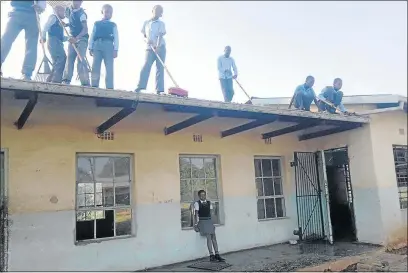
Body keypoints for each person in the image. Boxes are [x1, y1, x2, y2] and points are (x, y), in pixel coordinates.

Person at [0, 0, 46, 80]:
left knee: (31, 45)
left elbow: (42, 4)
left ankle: (27, 74)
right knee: (6, 40)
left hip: (32, 15)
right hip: (16, 12)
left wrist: (40, 7)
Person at [134, 5, 166, 94]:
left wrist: (158, 47)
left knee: (160, 67)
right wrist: (147, 40)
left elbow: (160, 36)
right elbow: (144, 35)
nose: (157, 12)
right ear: (152, 11)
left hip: (160, 48)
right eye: (156, 10)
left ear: (161, 14)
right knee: (146, 65)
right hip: (149, 48)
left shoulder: (161, 24)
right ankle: (140, 86)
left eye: (160, 11)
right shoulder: (146, 23)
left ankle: (159, 90)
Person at [89, 4, 119, 89]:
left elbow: (116, 37)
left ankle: (109, 87)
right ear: (102, 12)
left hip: (108, 45)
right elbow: (92, 35)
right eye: (106, 12)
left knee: (109, 67)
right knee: (95, 66)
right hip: (97, 45)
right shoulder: (97, 23)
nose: (108, 14)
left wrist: (116, 49)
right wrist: (90, 47)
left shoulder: (113, 24)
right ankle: (94, 85)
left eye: (110, 13)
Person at [62, 0, 90, 86]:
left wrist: (76, 38)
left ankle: (85, 83)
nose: (75, 2)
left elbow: (85, 29)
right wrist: (66, 25)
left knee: (80, 58)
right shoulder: (69, 11)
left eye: (78, 1)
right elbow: (72, 23)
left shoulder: (82, 14)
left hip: (82, 39)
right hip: (72, 38)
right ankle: (66, 80)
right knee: (70, 58)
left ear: (81, 2)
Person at [194, 190, 225, 262]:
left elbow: (211, 214)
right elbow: (196, 215)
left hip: (209, 221)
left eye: (204, 195)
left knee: (214, 237)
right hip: (202, 221)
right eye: (201, 195)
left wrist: (213, 223)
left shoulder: (208, 202)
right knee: (209, 237)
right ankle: (211, 255)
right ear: (199, 196)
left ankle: (217, 254)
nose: (203, 196)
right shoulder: (197, 203)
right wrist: (195, 224)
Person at [40, 5, 68, 83]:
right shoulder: (54, 17)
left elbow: (62, 38)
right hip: (53, 41)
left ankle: (50, 79)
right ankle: (56, 80)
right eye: (63, 11)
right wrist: (43, 37)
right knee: (62, 58)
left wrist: (69, 38)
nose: (64, 14)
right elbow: (46, 27)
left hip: (58, 42)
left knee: (56, 62)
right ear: (57, 11)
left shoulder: (60, 23)